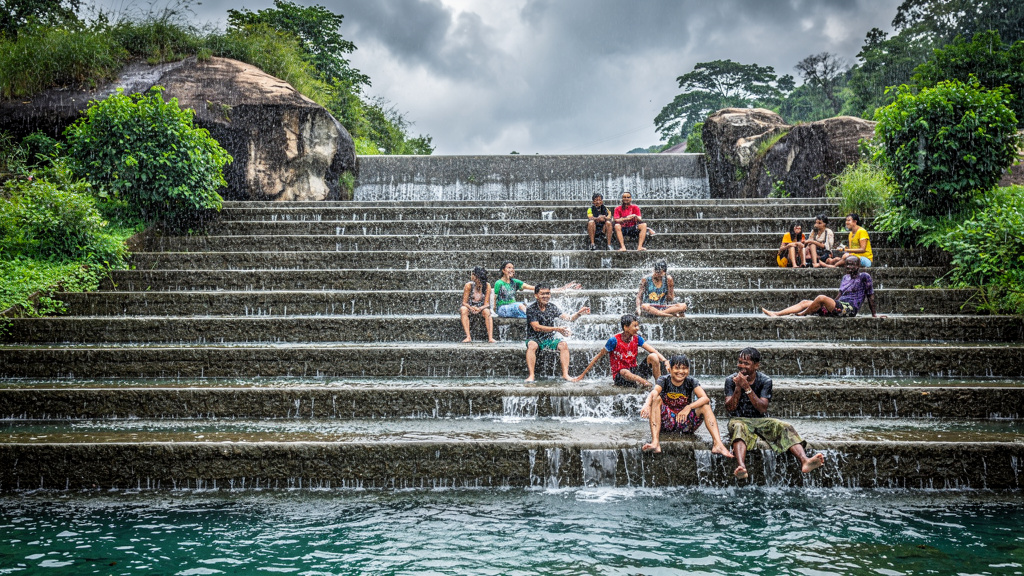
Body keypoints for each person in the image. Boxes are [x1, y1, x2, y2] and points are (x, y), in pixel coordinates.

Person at [724, 347, 825, 480]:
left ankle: (805, 460)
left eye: (746, 363)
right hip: (738, 419)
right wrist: (738, 387)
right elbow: (730, 408)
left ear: (756, 365)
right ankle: (742, 467)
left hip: (760, 420)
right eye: (740, 362)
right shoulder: (731, 380)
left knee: (784, 426)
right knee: (738, 428)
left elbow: (762, 408)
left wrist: (747, 388)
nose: (741, 366)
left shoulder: (765, 381)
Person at [639, 354, 734, 457]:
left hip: (685, 423)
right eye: (677, 368)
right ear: (670, 369)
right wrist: (647, 404)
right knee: (656, 399)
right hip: (665, 422)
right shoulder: (664, 380)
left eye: (684, 368)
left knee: (705, 405)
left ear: (688, 370)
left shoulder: (691, 381)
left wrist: (688, 407)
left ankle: (718, 444)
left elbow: (705, 398)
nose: (681, 371)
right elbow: (654, 392)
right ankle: (655, 442)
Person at [762, 255, 881, 318]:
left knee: (821, 298)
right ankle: (776, 314)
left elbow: (871, 296)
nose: (848, 267)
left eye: (852, 265)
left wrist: (874, 315)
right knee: (805, 302)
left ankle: (802, 314)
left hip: (849, 309)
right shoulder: (845, 277)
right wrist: (830, 304)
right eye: (847, 265)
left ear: (858, 266)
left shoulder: (864, 276)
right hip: (839, 306)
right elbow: (839, 295)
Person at [572, 313, 668, 388]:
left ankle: (658, 386)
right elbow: (597, 357)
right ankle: (645, 383)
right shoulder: (614, 341)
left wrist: (665, 361)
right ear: (626, 327)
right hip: (620, 376)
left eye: (638, 326)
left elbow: (653, 350)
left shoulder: (637, 338)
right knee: (623, 371)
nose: (637, 328)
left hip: (634, 371)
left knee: (653, 357)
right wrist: (582, 375)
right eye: (635, 326)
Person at [525, 284, 590, 382]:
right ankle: (531, 375)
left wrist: (579, 313)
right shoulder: (531, 309)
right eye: (542, 294)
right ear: (536, 295)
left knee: (563, 345)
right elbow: (536, 327)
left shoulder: (552, 307)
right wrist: (556, 329)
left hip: (548, 339)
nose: (545, 296)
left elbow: (569, 318)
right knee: (532, 345)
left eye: (548, 293)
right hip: (534, 338)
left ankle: (565, 374)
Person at [493, 261, 580, 318]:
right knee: (520, 306)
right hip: (502, 309)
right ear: (503, 270)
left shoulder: (515, 282)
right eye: (509, 268)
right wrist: (494, 310)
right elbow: (495, 299)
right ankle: (535, 316)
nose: (512, 269)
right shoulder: (499, 283)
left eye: (512, 268)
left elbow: (536, 288)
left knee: (530, 306)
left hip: (514, 307)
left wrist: (562, 289)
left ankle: (540, 316)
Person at [460, 266, 496, 343]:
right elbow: (464, 302)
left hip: (481, 307)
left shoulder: (487, 285)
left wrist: (479, 308)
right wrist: (470, 307)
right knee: (463, 309)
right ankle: (468, 336)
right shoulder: (469, 285)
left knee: (487, 312)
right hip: (470, 306)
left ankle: (490, 337)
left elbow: (487, 304)